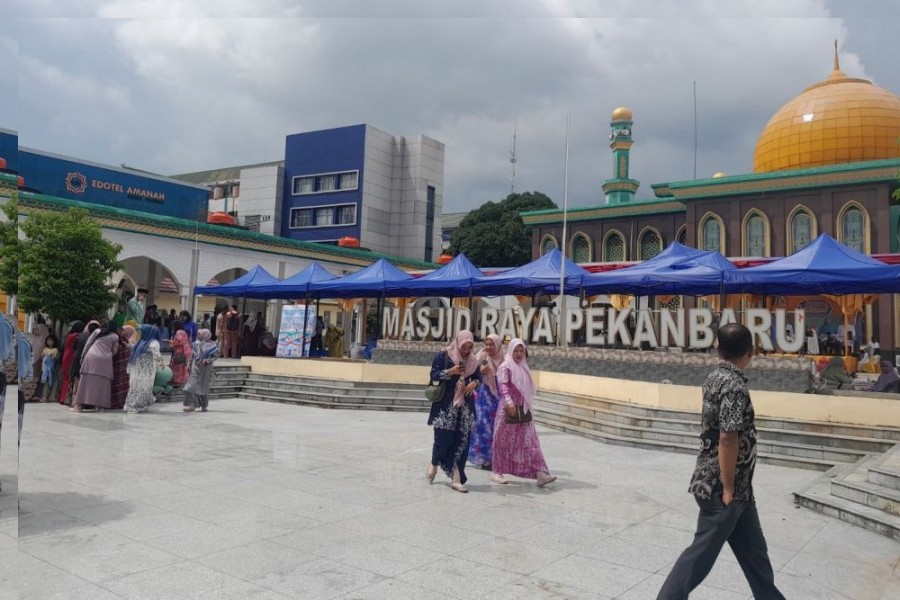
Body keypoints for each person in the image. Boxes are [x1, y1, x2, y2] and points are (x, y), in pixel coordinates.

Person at [657, 323, 785, 600]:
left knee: (755, 556)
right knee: (699, 556)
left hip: (738, 488)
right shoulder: (734, 385)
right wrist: (728, 488)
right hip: (724, 487)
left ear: (718, 348)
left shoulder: (714, 376)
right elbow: (728, 437)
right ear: (750, 352)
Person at [491, 338, 556, 487]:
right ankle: (496, 471)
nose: (519, 354)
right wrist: (509, 402)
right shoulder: (505, 366)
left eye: (522, 351)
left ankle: (541, 474)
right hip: (508, 411)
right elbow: (503, 386)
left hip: (524, 410)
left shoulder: (524, 367)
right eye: (516, 351)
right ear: (511, 351)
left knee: (531, 442)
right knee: (502, 440)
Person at [427, 330, 481, 492]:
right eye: (464, 346)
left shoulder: (473, 361)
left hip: (465, 409)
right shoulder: (444, 355)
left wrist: (475, 383)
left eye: (470, 347)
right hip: (445, 408)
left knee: (462, 442)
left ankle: (456, 478)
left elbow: (478, 377)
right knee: (442, 440)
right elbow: (434, 375)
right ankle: (434, 462)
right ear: (458, 343)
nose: (466, 350)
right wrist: (451, 372)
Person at [468, 333, 504, 470]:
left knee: (496, 428)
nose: (488, 347)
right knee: (482, 426)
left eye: (491, 344)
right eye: (487, 344)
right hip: (483, 397)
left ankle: (494, 458)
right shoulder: (482, 356)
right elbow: (470, 372)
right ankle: (484, 459)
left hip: (498, 397)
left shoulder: (503, 358)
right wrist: (481, 372)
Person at [72, 322, 119, 412]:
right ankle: (100, 406)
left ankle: (78, 406)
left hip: (91, 357)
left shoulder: (97, 331)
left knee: (85, 381)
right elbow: (114, 351)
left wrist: (82, 356)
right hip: (105, 360)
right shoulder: (115, 337)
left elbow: (88, 344)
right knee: (102, 383)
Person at [124, 325, 163, 413]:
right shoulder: (147, 342)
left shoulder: (148, 342)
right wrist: (160, 361)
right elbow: (156, 353)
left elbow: (155, 352)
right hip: (143, 370)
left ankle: (139, 405)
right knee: (140, 387)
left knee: (139, 387)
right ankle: (132, 405)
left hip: (142, 370)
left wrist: (160, 361)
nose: (141, 333)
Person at [183, 329, 219, 412]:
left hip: (206, 368)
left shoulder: (213, 345)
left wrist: (207, 360)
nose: (198, 335)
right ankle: (192, 404)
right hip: (196, 366)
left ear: (205, 335)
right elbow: (192, 354)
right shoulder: (196, 344)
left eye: (199, 334)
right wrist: (188, 363)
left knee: (203, 386)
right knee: (192, 384)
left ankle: (203, 405)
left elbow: (215, 356)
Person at [58, 321, 84, 404]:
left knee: (65, 378)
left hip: (66, 355)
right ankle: (65, 398)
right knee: (69, 378)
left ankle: (62, 398)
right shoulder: (76, 336)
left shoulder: (69, 334)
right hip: (71, 356)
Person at [110, 326, 133, 410]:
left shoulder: (125, 340)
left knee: (123, 384)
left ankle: (122, 401)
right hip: (116, 365)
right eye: (121, 331)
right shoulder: (115, 339)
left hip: (124, 367)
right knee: (116, 383)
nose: (122, 332)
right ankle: (115, 402)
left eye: (123, 331)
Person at [39, 335, 59, 402]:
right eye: (48, 340)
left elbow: (56, 358)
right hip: (44, 369)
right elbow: (41, 357)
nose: (49, 342)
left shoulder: (55, 350)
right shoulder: (45, 349)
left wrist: (51, 357)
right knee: (44, 382)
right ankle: (43, 396)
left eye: (51, 340)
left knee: (48, 382)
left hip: (50, 369)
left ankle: (46, 396)